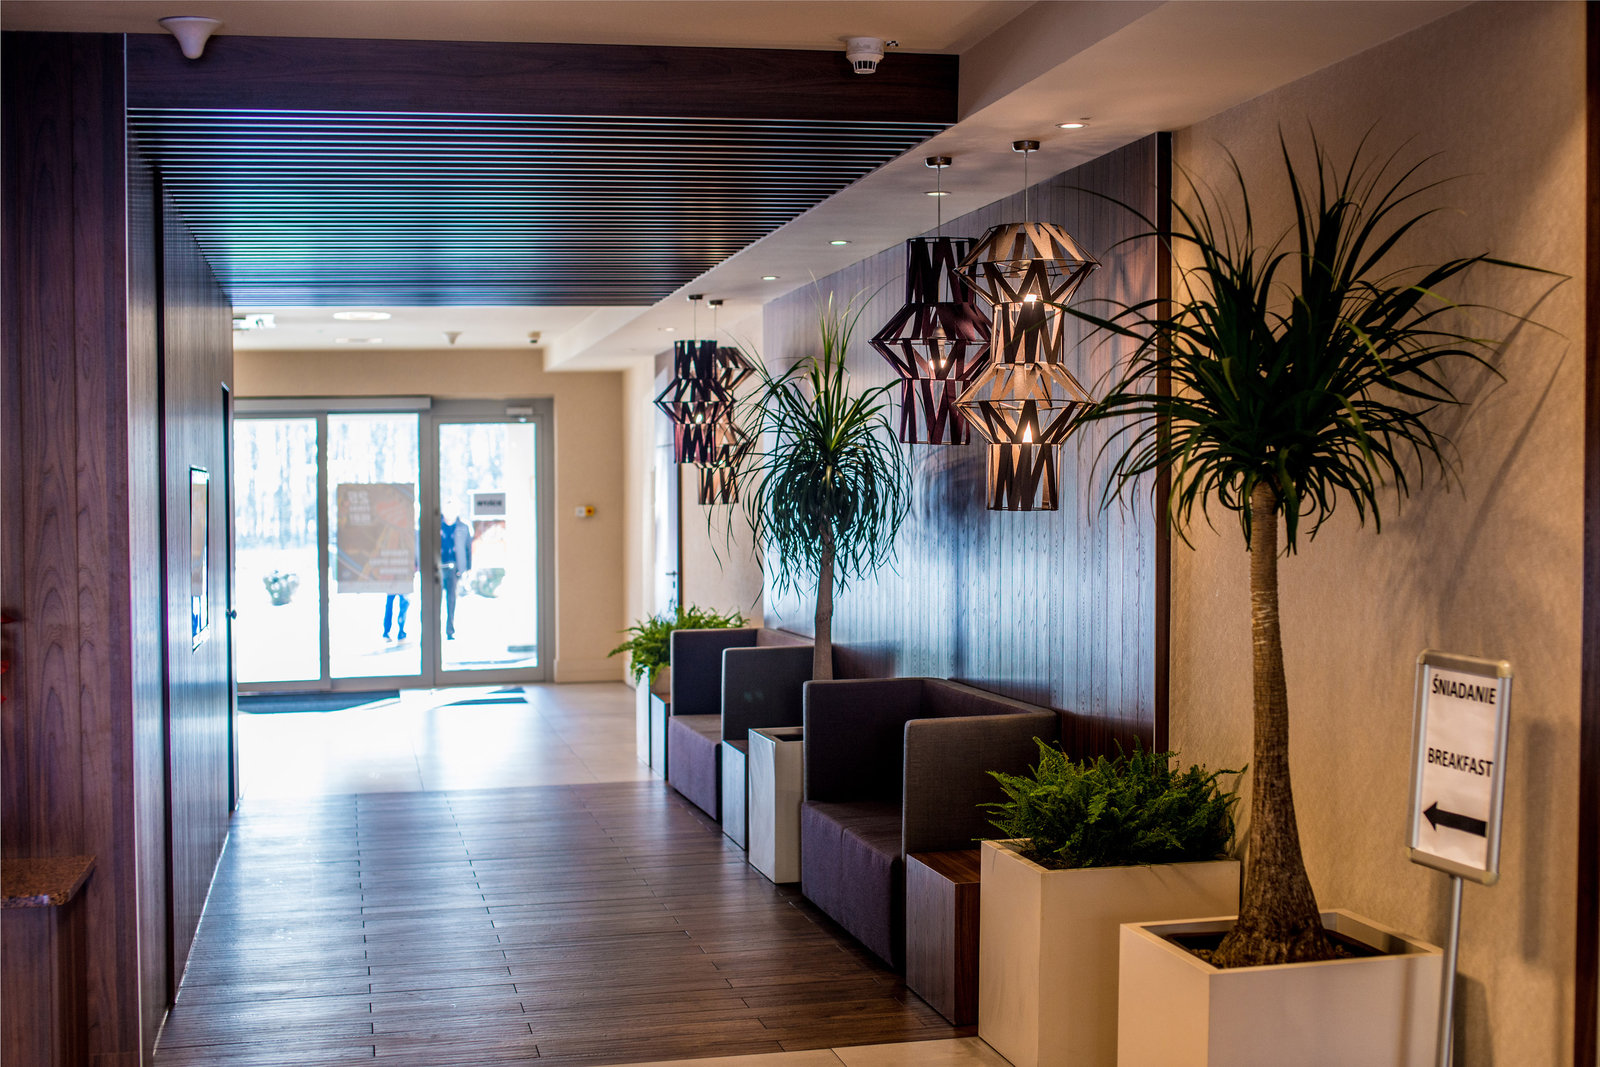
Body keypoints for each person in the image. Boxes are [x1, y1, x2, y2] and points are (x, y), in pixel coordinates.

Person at [440, 502, 473, 640]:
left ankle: (450, 629)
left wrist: (468, 567)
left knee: (451, 599)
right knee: (435, 600)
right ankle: (435, 628)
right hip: (438, 567)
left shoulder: (463, 527)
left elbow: (468, 548)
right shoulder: (437, 526)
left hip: (454, 568)